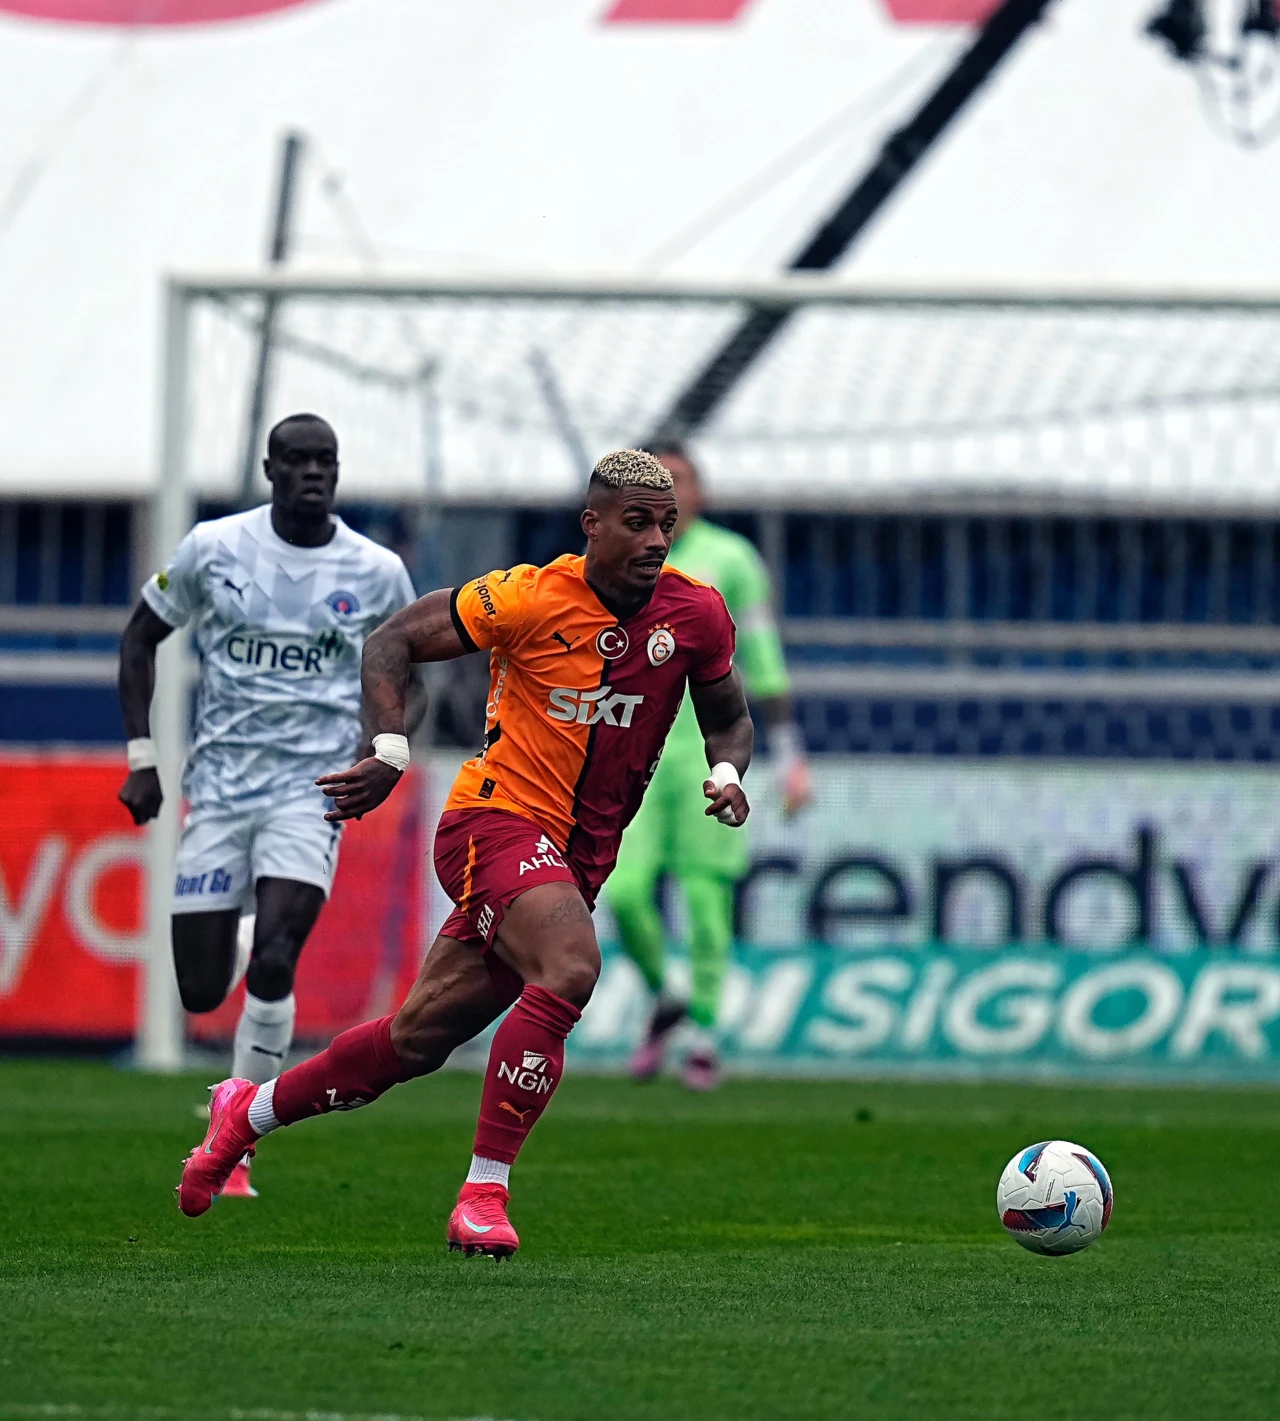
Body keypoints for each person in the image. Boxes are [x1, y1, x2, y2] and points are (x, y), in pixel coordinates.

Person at [175, 449, 753, 1259]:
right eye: (637, 522)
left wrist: (727, 769)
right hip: (494, 822)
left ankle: (248, 1112)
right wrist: (389, 747)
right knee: (571, 966)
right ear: (592, 526)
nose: (658, 538)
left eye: (665, 522)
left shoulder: (697, 614)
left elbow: (729, 713)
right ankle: (484, 1192)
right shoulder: (526, 595)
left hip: (576, 862)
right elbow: (390, 640)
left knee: (412, 1043)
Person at [117, 413, 416, 1198]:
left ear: (338, 473)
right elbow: (139, 637)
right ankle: (244, 928)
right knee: (200, 991)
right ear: (270, 469)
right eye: (298, 461)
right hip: (218, 788)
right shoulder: (214, 549)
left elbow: (410, 666)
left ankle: (238, 1138)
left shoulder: (377, 570)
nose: (314, 473)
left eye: (327, 462)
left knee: (281, 958)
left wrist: (381, 748)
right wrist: (143, 758)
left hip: (310, 789)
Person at [606, 443, 811, 1089]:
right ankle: (665, 995)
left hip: (712, 750)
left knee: (705, 898)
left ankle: (702, 1034)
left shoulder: (731, 560)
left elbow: (764, 655)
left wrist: (791, 756)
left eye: (681, 480)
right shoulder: (614, 557)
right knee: (625, 890)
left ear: (700, 491)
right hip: (633, 752)